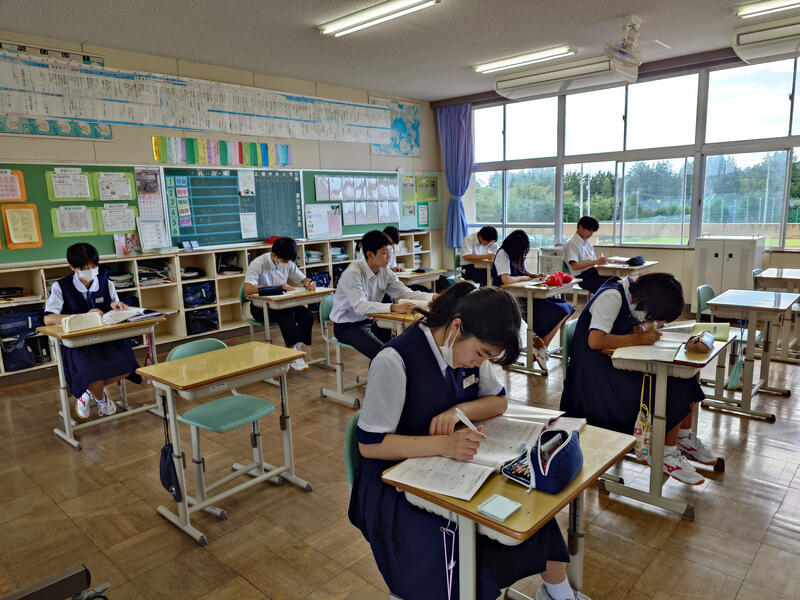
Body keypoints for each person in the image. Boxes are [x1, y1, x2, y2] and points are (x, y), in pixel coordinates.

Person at [349, 282, 589, 600]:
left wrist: (460, 410)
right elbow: (370, 445)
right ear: (456, 327)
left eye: (487, 356)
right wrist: (445, 445)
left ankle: (558, 592)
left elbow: (498, 402)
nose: (479, 362)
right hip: (392, 487)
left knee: (529, 509)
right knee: (450, 547)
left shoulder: (466, 351)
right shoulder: (394, 360)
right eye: (481, 354)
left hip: (450, 469)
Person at [560, 273, 717, 485]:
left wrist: (642, 328)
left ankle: (683, 437)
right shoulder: (612, 296)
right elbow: (595, 341)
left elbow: (629, 326)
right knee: (673, 386)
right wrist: (640, 338)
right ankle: (666, 455)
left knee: (685, 378)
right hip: (594, 383)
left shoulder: (629, 296)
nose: (654, 320)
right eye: (654, 315)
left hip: (613, 367)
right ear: (647, 300)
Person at [43, 243, 141, 419]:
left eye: (94, 266)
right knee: (92, 373)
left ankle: (87, 393)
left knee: (129, 365)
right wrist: (83, 316)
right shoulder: (61, 287)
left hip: (107, 339)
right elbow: (48, 318)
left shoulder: (106, 283)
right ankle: (101, 399)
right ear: (72, 267)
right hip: (78, 344)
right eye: (84, 267)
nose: (90, 270)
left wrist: (115, 306)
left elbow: (112, 306)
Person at [331, 229, 434, 359]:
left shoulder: (385, 271)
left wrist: (433, 297)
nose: (389, 257)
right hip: (347, 326)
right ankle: (381, 370)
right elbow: (360, 306)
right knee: (384, 355)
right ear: (370, 254)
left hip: (370, 321)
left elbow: (404, 292)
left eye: (389, 252)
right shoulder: (353, 273)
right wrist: (393, 307)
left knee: (403, 344)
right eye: (385, 253)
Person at [492, 229, 575, 370]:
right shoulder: (502, 254)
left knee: (567, 307)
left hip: (523, 293)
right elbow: (506, 279)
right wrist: (525, 278)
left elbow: (523, 271)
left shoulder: (516, 254)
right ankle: (541, 347)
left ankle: (541, 345)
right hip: (510, 297)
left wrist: (535, 276)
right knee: (560, 310)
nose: (523, 254)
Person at [244, 237, 316, 372]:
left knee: (307, 315)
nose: (287, 264)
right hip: (260, 308)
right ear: (274, 256)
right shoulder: (258, 263)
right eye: (284, 261)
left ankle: (295, 349)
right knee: (286, 314)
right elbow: (248, 289)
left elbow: (302, 278)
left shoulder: (288, 262)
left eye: (289, 261)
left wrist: (308, 282)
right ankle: (293, 354)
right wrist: (278, 287)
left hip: (282, 304)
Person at [562, 216, 609, 294]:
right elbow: (574, 266)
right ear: (580, 227)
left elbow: (593, 263)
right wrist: (596, 262)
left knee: (616, 281)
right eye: (589, 230)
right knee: (609, 288)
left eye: (593, 231)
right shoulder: (571, 243)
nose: (591, 234)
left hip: (593, 273)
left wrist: (601, 263)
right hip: (582, 277)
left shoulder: (588, 244)